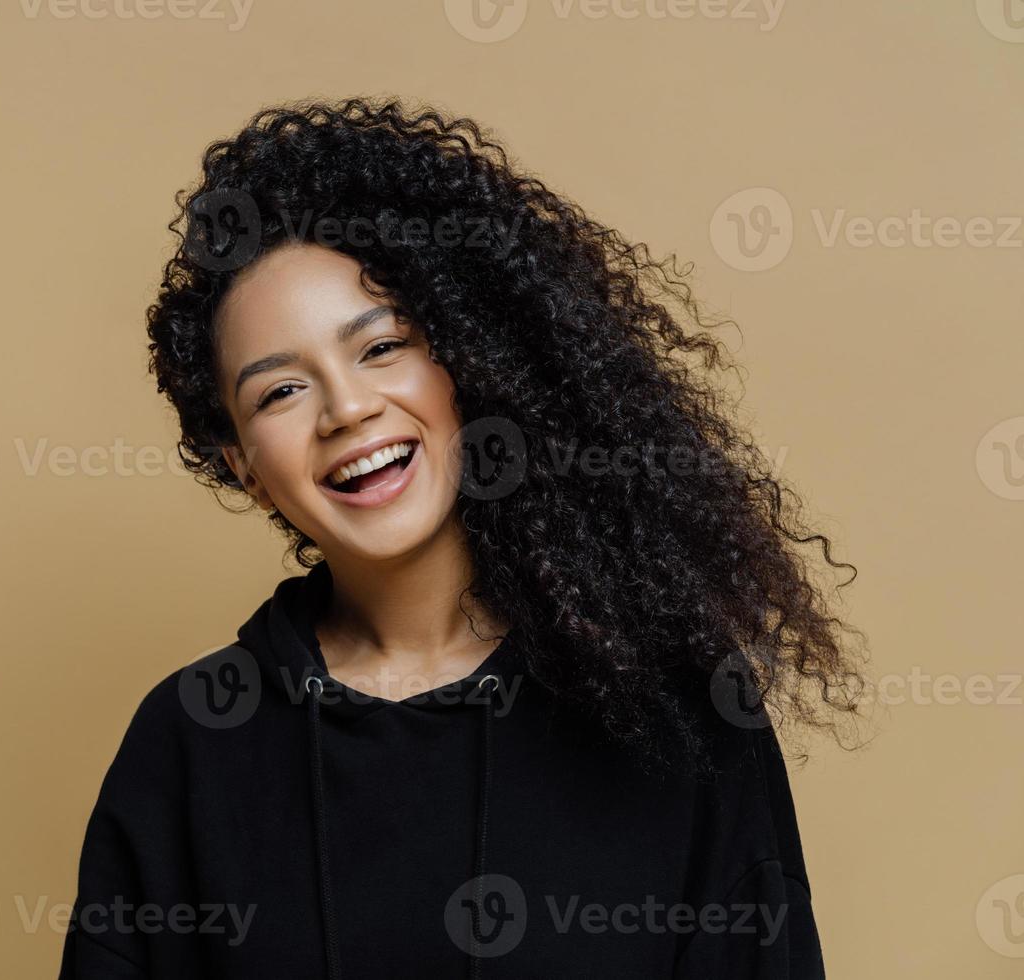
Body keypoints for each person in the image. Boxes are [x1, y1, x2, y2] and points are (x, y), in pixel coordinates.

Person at [58, 98, 866, 979]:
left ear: (471, 361)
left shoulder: (675, 705)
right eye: (280, 392)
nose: (348, 409)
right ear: (244, 464)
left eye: (382, 348)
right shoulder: (190, 745)